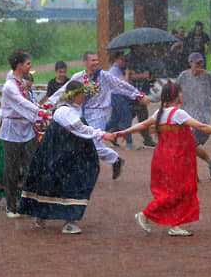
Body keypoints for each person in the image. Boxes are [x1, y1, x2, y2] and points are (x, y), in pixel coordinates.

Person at [117, 81, 211, 236]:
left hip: (163, 157)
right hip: (177, 158)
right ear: (175, 96)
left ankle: (175, 224)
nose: (182, 96)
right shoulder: (177, 113)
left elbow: (142, 125)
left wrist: (125, 131)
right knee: (176, 191)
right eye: (180, 93)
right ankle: (145, 214)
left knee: (174, 190)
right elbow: (202, 127)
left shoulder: (159, 113)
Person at [17, 81, 118, 234]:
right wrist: (103, 134)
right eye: (81, 94)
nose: (84, 96)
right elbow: (80, 129)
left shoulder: (73, 109)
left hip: (66, 153)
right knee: (62, 182)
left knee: (58, 182)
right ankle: (63, 220)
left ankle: (49, 215)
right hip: (59, 154)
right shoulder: (65, 112)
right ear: (74, 95)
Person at [49, 51, 150, 180]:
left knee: (94, 145)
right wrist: (48, 104)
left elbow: (121, 85)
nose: (95, 63)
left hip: (99, 112)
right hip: (81, 112)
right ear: (85, 62)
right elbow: (63, 91)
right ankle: (90, 168)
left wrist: (138, 95)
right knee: (80, 141)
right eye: (92, 60)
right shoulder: (78, 76)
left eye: (97, 60)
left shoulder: (104, 76)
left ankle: (112, 160)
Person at [0, 49, 50, 218]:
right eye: (27, 63)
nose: (30, 66)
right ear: (19, 66)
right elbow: (22, 104)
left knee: (32, 167)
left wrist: (41, 108)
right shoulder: (9, 87)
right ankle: (11, 206)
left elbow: (29, 101)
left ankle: (31, 203)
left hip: (27, 130)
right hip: (12, 131)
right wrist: (40, 113)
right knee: (11, 170)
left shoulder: (20, 82)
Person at [173, 52, 211, 180]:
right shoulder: (183, 76)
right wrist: (152, 98)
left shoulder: (208, 77)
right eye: (197, 63)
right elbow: (171, 90)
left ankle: (193, 174)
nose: (200, 65)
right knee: (189, 145)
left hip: (202, 119)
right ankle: (210, 164)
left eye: (201, 62)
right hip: (186, 118)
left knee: (187, 145)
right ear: (190, 63)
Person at [104, 51, 138, 150]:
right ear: (115, 59)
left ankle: (98, 133)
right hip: (117, 96)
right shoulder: (114, 70)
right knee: (127, 118)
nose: (123, 61)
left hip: (116, 96)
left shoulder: (117, 69)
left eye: (124, 59)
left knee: (114, 120)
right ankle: (129, 142)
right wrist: (127, 73)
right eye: (121, 59)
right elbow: (125, 83)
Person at [125, 45, 157, 148]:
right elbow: (130, 76)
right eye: (140, 46)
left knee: (139, 116)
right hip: (132, 93)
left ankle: (147, 140)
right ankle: (147, 140)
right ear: (135, 47)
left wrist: (150, 83)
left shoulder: (144, 58)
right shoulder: (129, 59)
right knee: (134, 117)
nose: (143, 48)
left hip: (141, 92)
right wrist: (142, 75)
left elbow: (148, 75)